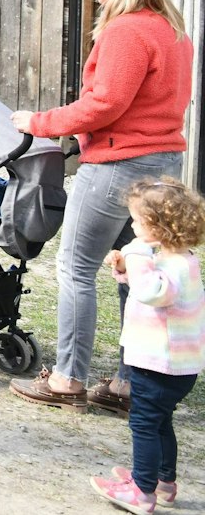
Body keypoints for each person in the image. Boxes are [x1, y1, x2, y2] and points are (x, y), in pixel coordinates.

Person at [8, 0, 193, 415]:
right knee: (136, 271)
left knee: (76, 268)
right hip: (164, 164)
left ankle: (69, 377)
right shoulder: (173, 29)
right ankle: (131, 383)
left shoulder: (126, 30)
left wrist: (39, 122)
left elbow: (105, 103)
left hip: (117, 164)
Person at [87, 178, 205, 512]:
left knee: (144, 424)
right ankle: (162, 482)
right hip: (178, 366)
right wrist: (127, 268)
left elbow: (153, 293)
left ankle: (142, 490)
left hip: (158, 366)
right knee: (161, 421)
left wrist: (136, 253)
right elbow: (153, 287)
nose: (134, 227)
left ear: (158, 226)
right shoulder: (183, 261)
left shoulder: (171, 265)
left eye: (138, 221)